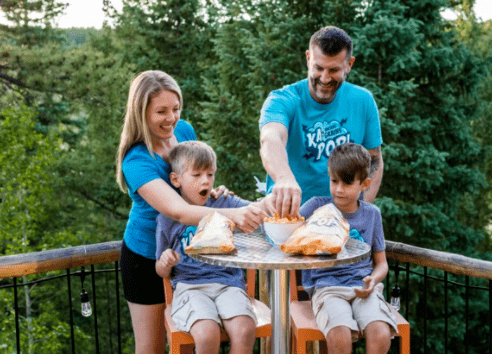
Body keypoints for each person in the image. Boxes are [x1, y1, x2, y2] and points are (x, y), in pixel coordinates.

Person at [116, 71, 269, 354]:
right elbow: (179, 210)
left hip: (190, 261)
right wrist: (231, 216)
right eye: (161, 111)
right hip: (147, 258)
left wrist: (211, 190)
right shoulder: (136, 160)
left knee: (191, 340)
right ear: (141, 113)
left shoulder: (184, 131)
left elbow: (193, 179)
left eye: (176, 109)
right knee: (150, 348)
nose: (171, 118)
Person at [155, 141, 273, 354]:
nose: (206, 181)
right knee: (207, 335)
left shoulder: (225, 203)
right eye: (197, 175)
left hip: (229, 285)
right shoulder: (169, 216)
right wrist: (165, 261)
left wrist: (277, 194)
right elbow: (161, 271)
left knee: (245, 330)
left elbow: (256, 211)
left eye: (210, 174)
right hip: (190, 288)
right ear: (176, 179)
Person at [259, 26, 384, 218]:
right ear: (308, 58)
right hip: (289, 219)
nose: (325, 79)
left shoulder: (363, 101)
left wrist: (357, 213)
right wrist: (284, 178)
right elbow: (271, 138)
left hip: (341, 223)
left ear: (349, 64)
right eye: (318, 68)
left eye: (334, 70)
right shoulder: (282, 100)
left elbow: (374, 160)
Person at [299, 143, 397, 354]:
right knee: (339, 335)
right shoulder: (316, 206)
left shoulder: (372, 214)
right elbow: (286, 225)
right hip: (327, 288)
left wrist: (374, 279)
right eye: (334, 181)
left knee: (380, 333)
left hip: (362, 287)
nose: (339, 189)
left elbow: (381, 264)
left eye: (347, 183)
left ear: (364, 184)